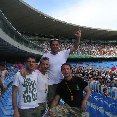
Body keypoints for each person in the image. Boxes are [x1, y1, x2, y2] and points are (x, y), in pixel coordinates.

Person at [42, 30, 81, 105]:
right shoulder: (45, 56)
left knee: (68, 101)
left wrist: (78, 38)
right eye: (53, 45)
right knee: (51, 103)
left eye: (57, 45)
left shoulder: (64, 53)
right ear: (50, 46)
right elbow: (39, 67)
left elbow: (75, 47)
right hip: (51, 84)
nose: (55, 46)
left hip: (63, 83)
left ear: (59, 45)